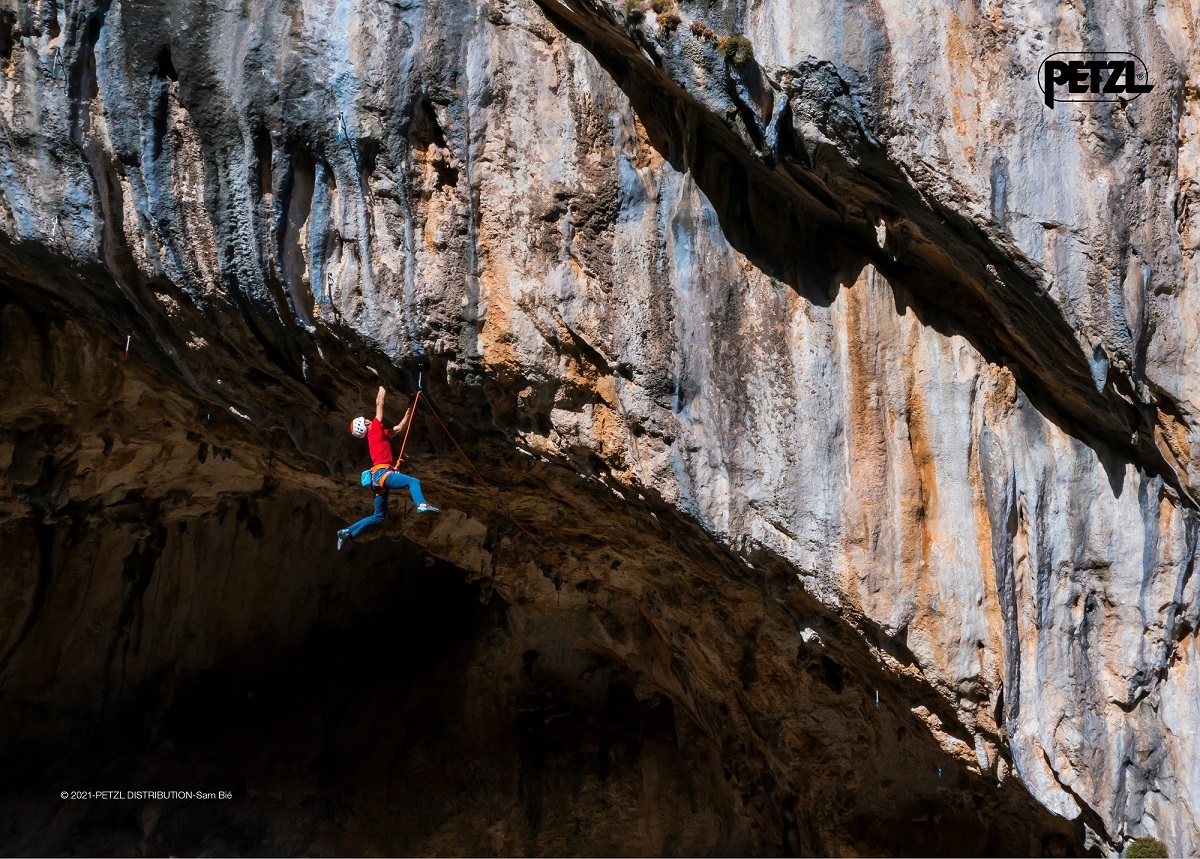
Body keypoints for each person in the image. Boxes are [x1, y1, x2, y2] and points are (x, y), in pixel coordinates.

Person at [338, 386, 438, 550]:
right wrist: (383, 386)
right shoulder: (374, 428)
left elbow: (399, 428)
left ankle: (347, 532)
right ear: (366, 424)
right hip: (381, 475)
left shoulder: (377, 435)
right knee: (413, 482)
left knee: (378, 518)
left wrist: (410, 407)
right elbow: (379, 402)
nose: (369, 419)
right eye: (366, 420)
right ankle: (421, 504)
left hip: (377, 480)